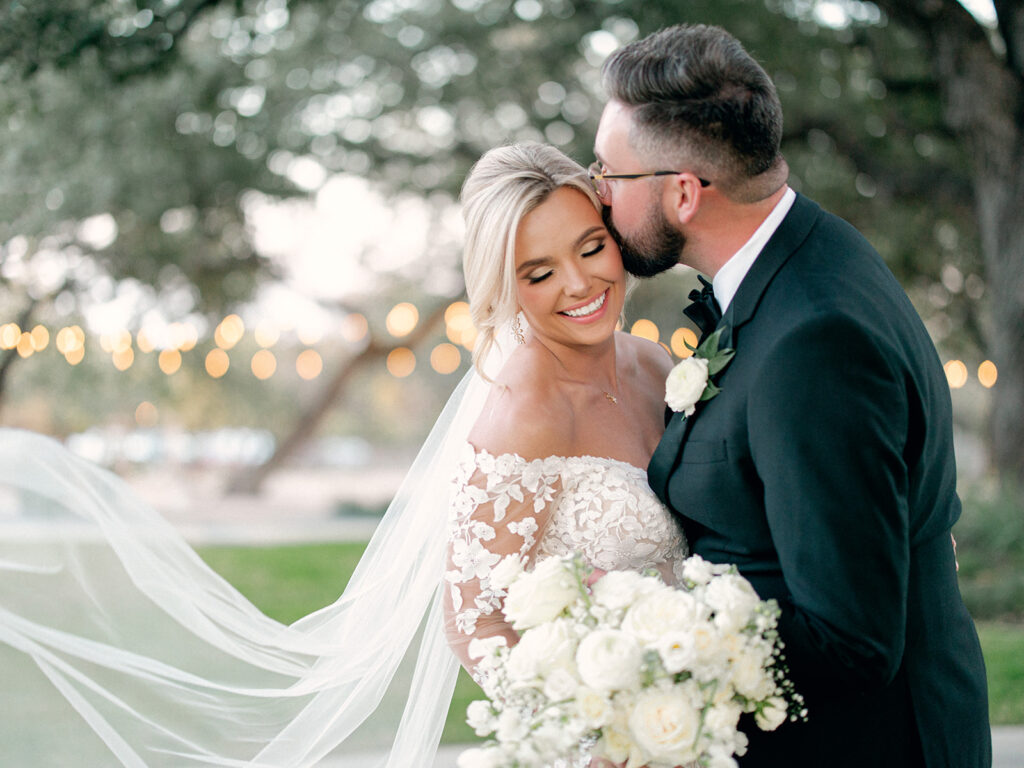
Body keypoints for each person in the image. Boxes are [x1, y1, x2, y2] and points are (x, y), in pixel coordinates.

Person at [0, 143, 686, 766]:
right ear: (505, 289)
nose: (578, 284)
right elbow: (473, 616)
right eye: (538, 273)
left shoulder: (655, 367)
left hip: (696, 707)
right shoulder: (527, 412)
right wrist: (590, 734)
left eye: (590, 247)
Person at [592, 23, 991, 767]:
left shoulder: (813, 341)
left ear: (683, 192)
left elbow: (852, 639)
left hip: (868, 745)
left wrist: (647, 648)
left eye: (609, 174)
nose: (601, 197)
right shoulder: (809, 254)